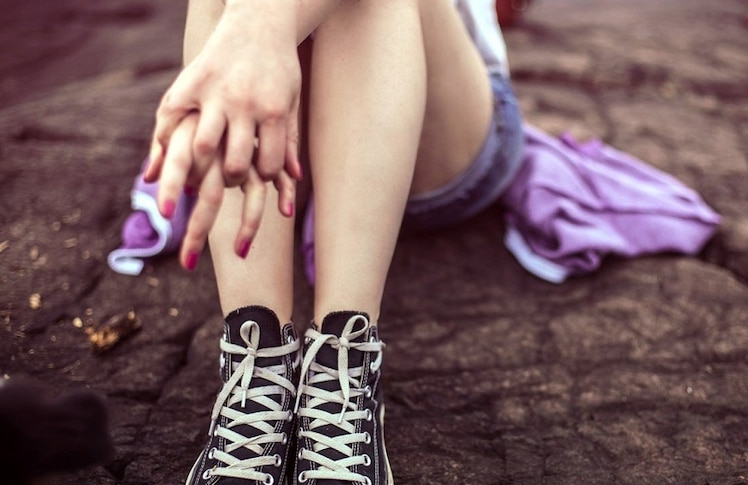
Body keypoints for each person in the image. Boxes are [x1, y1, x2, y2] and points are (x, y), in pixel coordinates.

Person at [144, 0, 524, 484]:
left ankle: (347, 356)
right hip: (291, 125)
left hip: (441, 119)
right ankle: (258, 366)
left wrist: (256, 28)